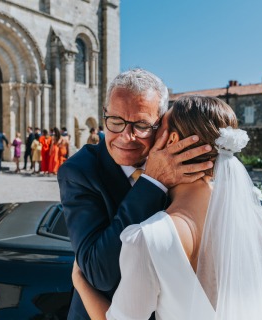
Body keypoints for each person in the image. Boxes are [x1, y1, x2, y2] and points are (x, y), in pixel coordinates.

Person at [72, 95, 262, 319]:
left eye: (157, 128)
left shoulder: (149, 238)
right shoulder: (251, 220)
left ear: (172, 140)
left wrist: (80, 282)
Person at [57, 69, 213, 319]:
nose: (125, 136)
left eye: (141, 125)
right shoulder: (79, 171)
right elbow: (100, 274)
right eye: (115, 121)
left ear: (162, 125)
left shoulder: (185, 165)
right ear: (104, 114)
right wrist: (152, 182)